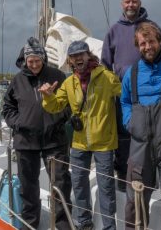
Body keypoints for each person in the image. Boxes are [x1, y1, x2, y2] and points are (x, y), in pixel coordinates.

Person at [39, 40, 120, 230]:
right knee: (79, 184)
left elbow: (125, 95)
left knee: (106, 188)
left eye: (81, 55)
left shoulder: (107, 77)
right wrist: (48, 96)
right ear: (70, 60)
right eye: (74, 56)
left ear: (88, 55)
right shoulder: (69, 83)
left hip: (104, 142)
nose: (78, 59)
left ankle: (109, 227)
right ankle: (85, 223)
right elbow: (55, 106)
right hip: (79, 143)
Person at [101, 0, 161, 191]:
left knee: (152, 139)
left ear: (140, 2)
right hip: (125, 96)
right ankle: (124, 183)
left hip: (151, 95)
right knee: (125, 141)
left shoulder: (151, 27)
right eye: (127, 1)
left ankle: (151, 184)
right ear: (122, 4)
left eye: (134, 1)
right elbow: (105, 66)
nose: (131, 5)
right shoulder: (113, 31)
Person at [121, 22, 161, 230]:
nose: (147, 47)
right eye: (142, 43)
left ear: (160, 41)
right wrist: (130, 122)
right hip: (139, 148)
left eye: (151, 42)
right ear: (137, 46)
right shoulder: (131, 73)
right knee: (135, 202)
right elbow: (124, 101)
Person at [2, 37, 72, 230]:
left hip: (55, 141)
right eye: (30, 61)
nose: (34, 65)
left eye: (37, 60)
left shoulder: (57, 75)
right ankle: (30, 225)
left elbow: (68, 105)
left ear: (44, 58)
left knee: (61, 185)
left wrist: (58, 120)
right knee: (28, 187)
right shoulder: (17, 81)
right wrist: (18, 123)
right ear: (25, 60)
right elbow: (7, 107)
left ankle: (64, 225)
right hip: (25, 142)